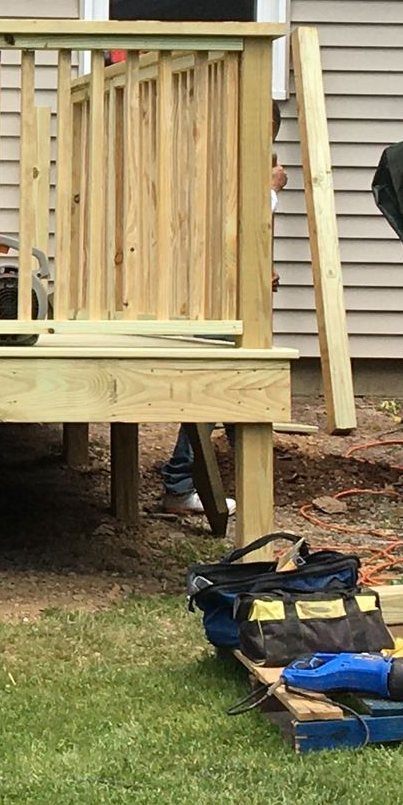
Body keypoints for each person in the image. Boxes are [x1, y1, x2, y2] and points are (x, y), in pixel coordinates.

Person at [160, 102, 289, 518]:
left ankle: (247, 481)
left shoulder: (239, 162)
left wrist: (262, 270)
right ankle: (179, 483)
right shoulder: (221, 165)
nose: (264, 138)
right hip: (212, 295)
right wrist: (270, 193)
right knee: (219, 387)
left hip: (230, 292)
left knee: (234, 387)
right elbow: (233, 229)